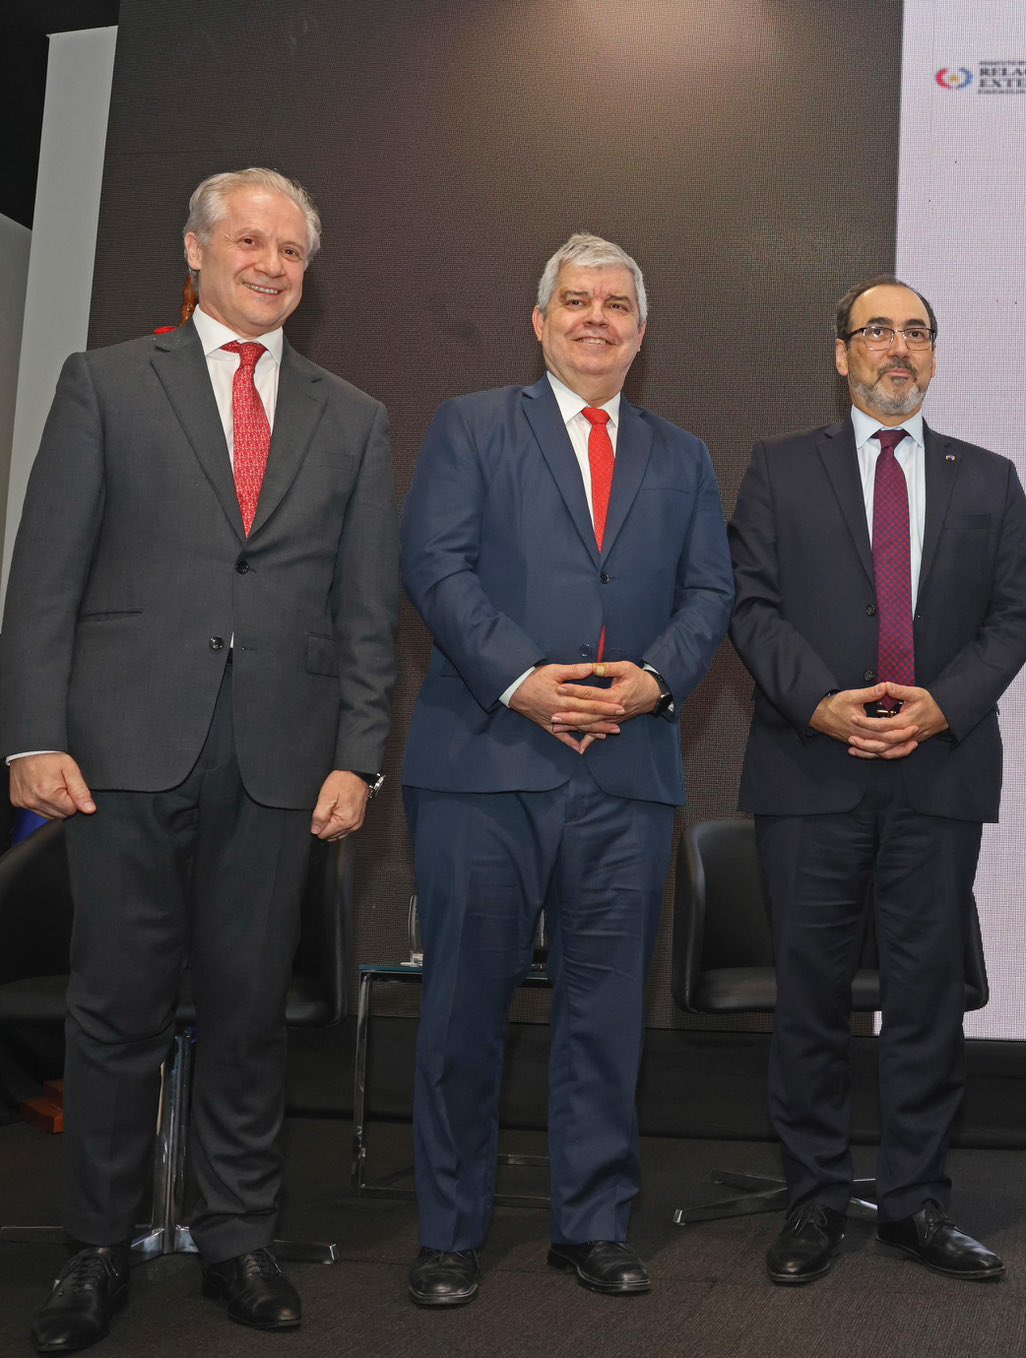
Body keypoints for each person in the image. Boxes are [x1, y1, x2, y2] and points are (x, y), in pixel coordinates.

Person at [2, 167, 399, 1351]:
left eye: (290, 249)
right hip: (124, 750)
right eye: (249, 241)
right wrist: (31, 732)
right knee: (114, 1010)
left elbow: (366, 609)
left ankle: (238, 1238)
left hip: (282, 759)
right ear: (196, 249)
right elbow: (45, 580)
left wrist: (360, 755)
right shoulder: (106, 382)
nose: (271, 263)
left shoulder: (355, 416)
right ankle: (97, 1247)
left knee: (243, 1014)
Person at [399, 233, 733, 1307]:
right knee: (460, 1010)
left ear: (641, 331)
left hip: (626, 768)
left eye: (617, 305)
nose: (597, 318)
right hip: (485, 762)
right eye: (576, 302)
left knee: (603, 1015)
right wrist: (523, 679)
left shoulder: (681, 455)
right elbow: (433, 565)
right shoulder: (472, 424)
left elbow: (710, 594)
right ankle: (450, 1230)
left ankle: (591, 1222)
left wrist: (649, 683)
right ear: (539, 322)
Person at [727, 275, 1026, 1286]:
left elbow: (1011, 616)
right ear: (841, 354)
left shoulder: (986, 477)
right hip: (810, 764)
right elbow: (751, 605)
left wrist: (938, 705)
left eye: (914, 333)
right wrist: (820, 701)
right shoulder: (778, 469)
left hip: (935, 769)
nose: (895, 349)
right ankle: (813, 1198)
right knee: (809, 1000)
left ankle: (915, 1201)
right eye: (875, 331)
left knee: (924, 1003)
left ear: (933, 356)